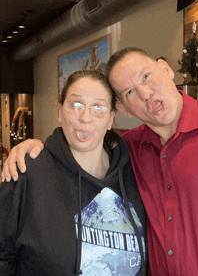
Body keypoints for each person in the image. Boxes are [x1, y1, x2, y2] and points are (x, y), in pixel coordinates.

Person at [2, 46, 198, 276]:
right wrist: (35, 148)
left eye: (146, 76)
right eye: (129, 92)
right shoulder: (132, 150)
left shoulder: (126, 160)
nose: (145, 93)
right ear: (125, 110)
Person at [0, 70, 148, 276]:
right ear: (60, 111)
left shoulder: (134, 172)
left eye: (98, 107)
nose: (85, 117)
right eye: (76, 105)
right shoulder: (26, 172)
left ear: (110, 119)